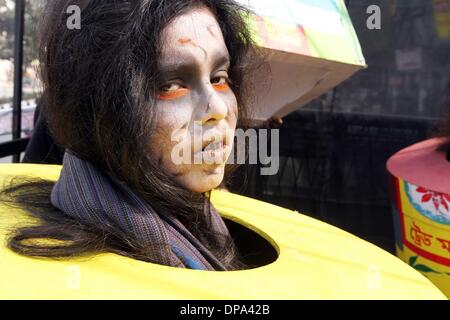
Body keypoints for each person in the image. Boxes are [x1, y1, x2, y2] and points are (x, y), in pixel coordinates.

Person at [1, 0, 256, 271]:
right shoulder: (92, 275)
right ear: (103, 107)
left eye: (219, 78)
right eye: (171, 84)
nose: (217, 108)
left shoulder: (198, 223)